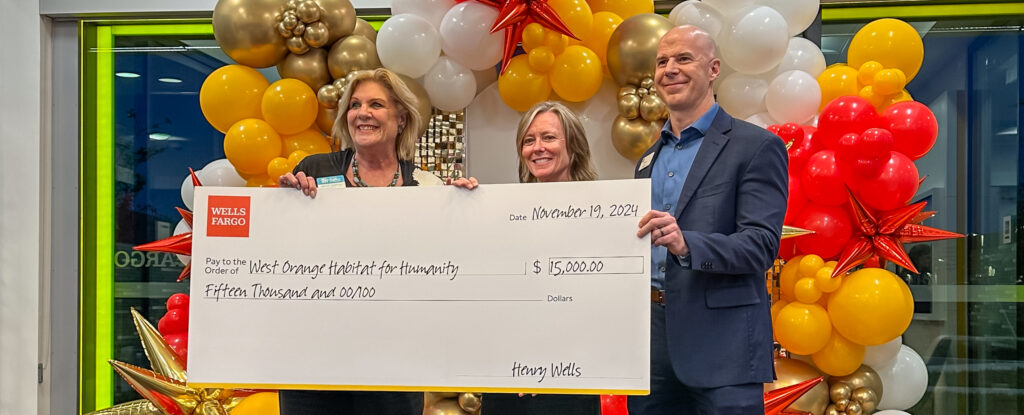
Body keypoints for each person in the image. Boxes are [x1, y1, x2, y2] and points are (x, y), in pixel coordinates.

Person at [630, 26, 788, 414]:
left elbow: (761, 245)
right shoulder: (647, 160)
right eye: (662, 61)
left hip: (725, 349)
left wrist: (688, 244)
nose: (670, 69)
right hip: (651, 346)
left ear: (714, 69)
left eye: (684, 59)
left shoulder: (756, 146)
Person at [276, 68, 442, 414]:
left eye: (376, 104)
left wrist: (466, 205)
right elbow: (285, 255)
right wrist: (284, 207)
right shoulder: (314, 171)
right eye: (354, 105)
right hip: (312, 364)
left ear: (400, 119)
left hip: (392, 364)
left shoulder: (427, 188)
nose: (362, 113)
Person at [478, 101, 599, 415]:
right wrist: (461, 208)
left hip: (571, 378)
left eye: (548, 137)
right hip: (507, 376)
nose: (537, 148)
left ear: (573, 145)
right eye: (528, 140)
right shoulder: (503, 212)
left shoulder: (604, 213)